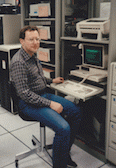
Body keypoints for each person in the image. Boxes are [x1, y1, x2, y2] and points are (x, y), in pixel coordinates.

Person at [10, 25, 81, 168]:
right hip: (28, 103)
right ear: (22, 41)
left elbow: (36, 78)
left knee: (75, 111)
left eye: (37, 39)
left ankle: (63, 151)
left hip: (42, 95)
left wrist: (51, 81)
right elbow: (25, 93)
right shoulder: (19, 62)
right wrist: (50, 104)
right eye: (31, 39)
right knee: (63, 128)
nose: (36, 42)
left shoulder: (32, 55)